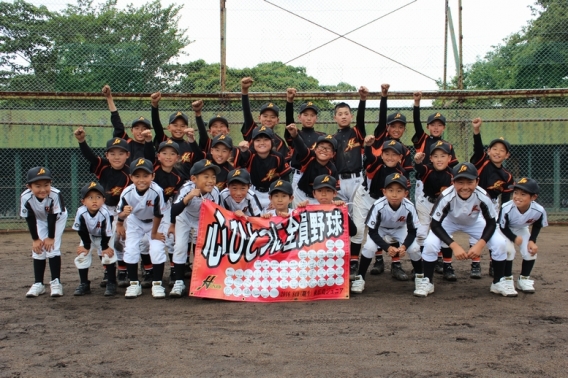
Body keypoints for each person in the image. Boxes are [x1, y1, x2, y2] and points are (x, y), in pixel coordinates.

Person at [414, 162, 516, 298]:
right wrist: (454, 245)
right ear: (453, 182)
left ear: (477, 181)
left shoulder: (483, 195)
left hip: (474, 222)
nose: (465, 187)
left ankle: (498, 282)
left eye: (470, 182)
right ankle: (427, 281)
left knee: (500, 243)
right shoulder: (446, 196)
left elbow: (491, 223)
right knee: (430, 243)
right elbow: (435, 224)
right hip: (448, 222)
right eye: (460, 182)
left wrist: (480, 244)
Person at [74, 128, 134, 287]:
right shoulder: (103, 166)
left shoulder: (130, 172)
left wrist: (122, 219)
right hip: (105, 208)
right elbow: (90, 157)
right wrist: (82, 142)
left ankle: (122, 270)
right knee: (104, 240)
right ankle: (108, 271)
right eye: (112, 153)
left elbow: (129, 195)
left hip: (123, 209)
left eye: (121, 153)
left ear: (127, 155)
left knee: (122, 239)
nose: (116, 157)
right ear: (107, 155)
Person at [351, 173, 421, 293]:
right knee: (369, 247)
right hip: (380, 229)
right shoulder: (378, 206)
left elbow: (413, 231)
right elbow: (372, 232)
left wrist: (404, 246)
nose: (394, 194)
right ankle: (360, 278)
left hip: (400, 228)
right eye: (390, 190)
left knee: (414, 248)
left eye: (399, 191)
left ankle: (421, 278)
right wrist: (387, 247)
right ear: (384, 192)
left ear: (405, 193)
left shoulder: (409, 206)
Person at [351, 138, 409, 281]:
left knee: (391, 229)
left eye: (394, 154)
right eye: (387, 153)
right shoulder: (375, 163)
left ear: (400, 158)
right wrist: (368, 146)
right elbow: (369, 157)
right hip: (365, 198)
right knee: (358, 231)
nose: (390, 157)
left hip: (386, 201)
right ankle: (353, 264)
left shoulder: (401, 173)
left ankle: (395, 265)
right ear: (382, 155)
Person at [116, 158, 167, 299]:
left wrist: (154, 233)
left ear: (153, 176)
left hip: (155, 222)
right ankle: (134, 284)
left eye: (146, 175)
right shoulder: (127, 192)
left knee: (156, 249)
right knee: (131, 249)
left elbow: (158, 214)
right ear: (131, 177)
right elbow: (120, 212)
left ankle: (157, 284)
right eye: (137, 176)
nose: (141, 179)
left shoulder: (157, 191)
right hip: (135, 221)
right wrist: (120, 221)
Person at [169, 159, 221, 297]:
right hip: (184, 217)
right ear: (193, 179)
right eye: (206, 176)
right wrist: (188, 197)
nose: (211, 180)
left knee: (205, 248)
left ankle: (204, 282)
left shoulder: (215, 191)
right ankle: (179, 282)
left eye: (213, 176)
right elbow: (174, 211)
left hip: (202, 219)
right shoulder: (186, 189)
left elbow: (218, 213)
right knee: (180, 246)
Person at [470, 117, 514, 278]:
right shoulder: (482, 162)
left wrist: (503, 215)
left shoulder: (507, 176)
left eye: (502, 150)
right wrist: (476, 130)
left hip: (493, 204)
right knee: (476, 232)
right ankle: (475, 264)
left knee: (493, 232)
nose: (497, 152)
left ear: (507, 155)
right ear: (488, 151)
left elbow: (507, 200)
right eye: (494, 148)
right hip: (475, 201)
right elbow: (477, 147)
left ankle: (493, 263)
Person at [21, 167, 68, 298]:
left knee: (52, 247)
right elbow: (29, 218)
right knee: (38, 249)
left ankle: (56, 282)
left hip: (58, 218)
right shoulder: (25, 197)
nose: (43, 189)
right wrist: (35, 239)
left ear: (50, 183)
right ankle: (38, 284)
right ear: (29, 186)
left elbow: (52, 217)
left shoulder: (55, 194)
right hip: (40, 219)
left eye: (46, 185)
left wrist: (51, 237)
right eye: (37, 186)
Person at [413, 141, 456, 281]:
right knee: (421, 234)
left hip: (443, 206)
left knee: (445, 234)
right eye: (435, 156)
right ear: (430, 158)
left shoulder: (452, 174)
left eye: (443, 156)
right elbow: (419, 169)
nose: (439, 159)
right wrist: (417, 162)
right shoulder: (427, 169)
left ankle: (447, 265)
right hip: (425, 203)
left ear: (449, 158)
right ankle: (420, 265)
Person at [146, 139, 185, 287]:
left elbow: (176, 201)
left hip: (167, 207)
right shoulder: (152, 172)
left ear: (177, 157)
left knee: (170, 238)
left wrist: (173, 221)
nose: (168, 156)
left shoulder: (179, 176)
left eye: (172, 153)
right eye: (164, 153)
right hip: (150, 206)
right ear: (158, 156)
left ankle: (174, 270)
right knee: (145, 241)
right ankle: (149, 270)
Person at [499, 177, 548, 293]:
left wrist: (532, 240)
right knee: (509, 250)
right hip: (504, 230)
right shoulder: (506, 207)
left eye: (523, 194)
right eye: (515, 192)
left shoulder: (539, 210)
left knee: (530, 251)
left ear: (533, 197)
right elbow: (502, 227)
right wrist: (513, 238)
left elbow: (537, 225)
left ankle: (524, 279)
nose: (517, 197)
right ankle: (507, 280)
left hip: (522, 228)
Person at [72, 182, 116, 296]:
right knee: (82, 256)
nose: (95, 200)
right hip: (88, 235)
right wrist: (86, 246)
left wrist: (105, 247)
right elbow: (81, 230)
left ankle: (111, 283)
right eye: (90, 197)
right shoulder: (81, 212)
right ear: (83, 201)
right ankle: (84, 284)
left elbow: (106, 232)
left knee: (108, 256)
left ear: (104, 200)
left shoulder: (106, 212)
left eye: (98, 197)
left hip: (106, 236)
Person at [284, 88, 325, 206]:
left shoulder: (321, 136)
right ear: (299, 117)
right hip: (298, 175)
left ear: (316, 118)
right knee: (299, 212)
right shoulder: (295, 133)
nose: (308, 118)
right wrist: (289, 101)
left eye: (312, 115)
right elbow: (289, 122)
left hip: (317, 175)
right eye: (305, 115)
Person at [150, 91, 204, 178]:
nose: (178, 128)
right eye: (175, 125)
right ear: (169, 127)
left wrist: (192, 141)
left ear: (187, 127)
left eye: (182, 126)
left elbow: (200, 157)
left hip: (185, 184)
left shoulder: (190, 145)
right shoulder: (165, 141)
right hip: (166, 182)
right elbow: (156, 125)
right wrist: (154, 105)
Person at [236, 126, 291, 209]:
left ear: (272, 142)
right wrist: (243, 151)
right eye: (258, 140)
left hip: (272, 192)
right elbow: (243, 160)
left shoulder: (278, 157)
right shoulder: (251, 155)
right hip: (254, 192)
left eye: (266, 140)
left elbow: (285, 177)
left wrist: (278, 197)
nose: (262, 143)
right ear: (253, 142)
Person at [286, 123, 339, 205]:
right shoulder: (309, 157)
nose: (324, 150)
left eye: (328, 148)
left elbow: (334, 188)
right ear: (315, 149)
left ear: (333, 154)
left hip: (319, 199)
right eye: (321, 146)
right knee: (299, 217)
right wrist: (295, 135)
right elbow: (301, 147)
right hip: (302, 194)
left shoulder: (332, 169)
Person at [240, 77, 290, 160]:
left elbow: (282, 164)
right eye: (265, 116)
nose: (268, 119)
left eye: (273, 117)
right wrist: (244, 91)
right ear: (259, 118)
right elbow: (246, 113)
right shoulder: (252, 131)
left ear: (277, 120)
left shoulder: (280, 142)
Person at [102, 84, 153, 161]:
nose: (140, 131)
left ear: (149, 131)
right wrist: (109, 97)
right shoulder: (126, 143)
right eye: (137, 128)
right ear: (131, 131)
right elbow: (117, 123)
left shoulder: (151, 148)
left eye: (144, 128)